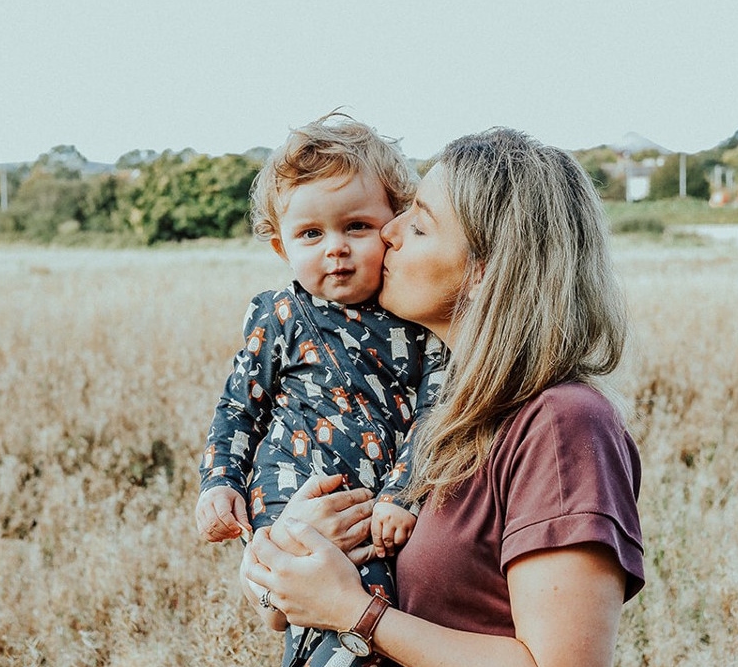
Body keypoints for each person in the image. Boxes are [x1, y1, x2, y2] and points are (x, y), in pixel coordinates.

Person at [241, 127, 644, 667]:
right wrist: (277, 557)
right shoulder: (426, 405)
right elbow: (287, 607)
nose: (389, 232)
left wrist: (356, 614)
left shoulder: (561, 423)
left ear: (483, 271)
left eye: (420, 224)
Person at [196, 113, 442, 667]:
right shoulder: (280, 314)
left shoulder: (415, 320)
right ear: (282, 247)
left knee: (363, 610)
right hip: (291, 489)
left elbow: (434, 412)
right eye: (312, 234)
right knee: (318, 604)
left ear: (394, 225)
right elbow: (239, 406)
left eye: (356, 226)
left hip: (376, 501)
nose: (336, 248)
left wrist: (402, 491)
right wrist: (218, 481)